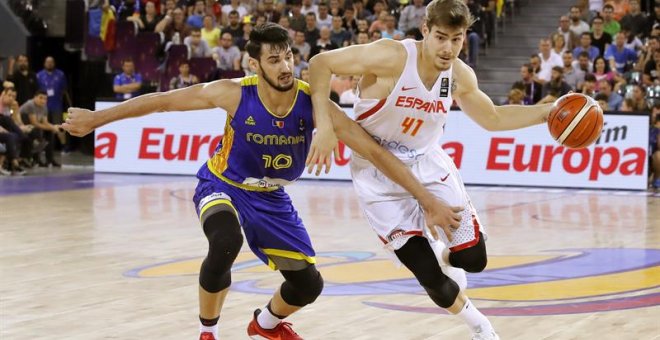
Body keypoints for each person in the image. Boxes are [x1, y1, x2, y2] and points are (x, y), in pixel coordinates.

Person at [63, 23, 461, 340]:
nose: (286, 66)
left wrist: (427, 199)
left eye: (288, 57)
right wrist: (97, 120)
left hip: (271, 198)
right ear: (255, 65)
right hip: (223, 185)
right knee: (225, 241)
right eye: (274, 60)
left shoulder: (312, 103)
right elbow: (161, 101)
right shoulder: (233, 93)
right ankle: (207, 332)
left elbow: (377, 153)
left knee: (308, 284)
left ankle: (265, 325)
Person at [309, 0, 555, 338]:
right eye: (440, 37)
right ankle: (481, 327)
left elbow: (493, 118)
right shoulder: (392, 57)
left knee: (474, 259)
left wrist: (548, 112)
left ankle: (444, 253)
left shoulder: (458, 75)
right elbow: (320, 62)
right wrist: (324, 125)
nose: (448, 48)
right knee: (432, 281)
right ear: (425, 30)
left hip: (427, 164)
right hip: (377, 174)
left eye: (457, 39)